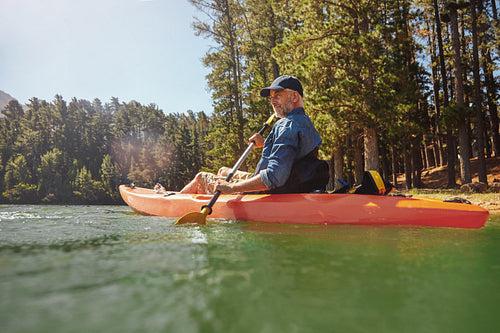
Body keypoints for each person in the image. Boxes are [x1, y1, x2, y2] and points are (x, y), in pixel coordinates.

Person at [157, 75, 328, 195]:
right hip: (293, 182)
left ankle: (170, 199)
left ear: (295, 96)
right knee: (223, 171)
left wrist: (232, 189)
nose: (272, 101)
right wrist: (266, 144)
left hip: (272, 189)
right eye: (271, 97)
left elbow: (274, 177)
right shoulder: (304, 122)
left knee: (201, 177)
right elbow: (295, 153)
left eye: (278, 95)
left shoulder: (285, 124)